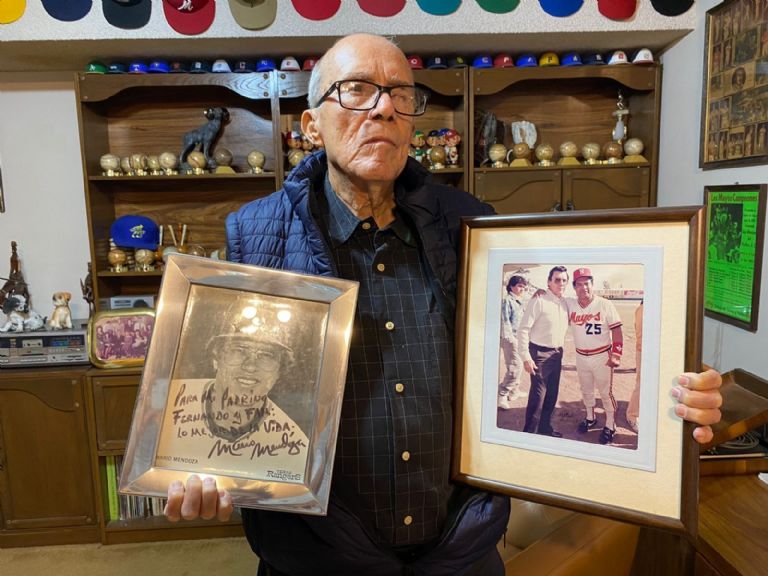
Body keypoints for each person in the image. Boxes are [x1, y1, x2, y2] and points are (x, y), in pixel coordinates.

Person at [163, 34, 724, 575]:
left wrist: (670, 392)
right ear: (311, 125)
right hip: (317, 556)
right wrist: (203, 466)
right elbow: (232, 377)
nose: (383, 108)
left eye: (400, 94)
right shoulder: (257, 233)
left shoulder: (471, 225)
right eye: (356, 90)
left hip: (459, 552)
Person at [154, 298, 309, 482]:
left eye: (266, 356)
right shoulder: (166, 403)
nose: (250, 366)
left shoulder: (294, 446)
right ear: (216, 358)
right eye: (238, 351)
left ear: (279, 372)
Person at [566, 268, 624, 444]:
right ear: (574, 287)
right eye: (579, 284)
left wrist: (616, 354)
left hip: (601, 356)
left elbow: (617, 330)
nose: (584, 287)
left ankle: (610, 424)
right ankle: (590, 418)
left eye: (587, 283)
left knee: (606, 392)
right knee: (586, 389)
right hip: (581, 356)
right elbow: (554, 298)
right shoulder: (570, 304)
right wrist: (541, 292)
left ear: (592, 284)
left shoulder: (605, 304)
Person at [517, 266, 569, 437]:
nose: (561, 283)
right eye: (557, 280)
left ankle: (544, 428)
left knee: (552, 394)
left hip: (557, 354)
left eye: (564, 280)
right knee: (538, 397)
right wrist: (525, 356)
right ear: (549, 282)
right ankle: (528, 435)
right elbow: (523, 329)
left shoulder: (565, 303)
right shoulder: (539, 300)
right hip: (539, 354)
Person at [498, 274, 527, 410]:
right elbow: (504, 320)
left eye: (524, 286)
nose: (522, 289)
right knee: (515, 368)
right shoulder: (507, 300)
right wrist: (510, 338)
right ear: (511, 286)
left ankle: (514, 391)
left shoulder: (519, 300)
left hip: (520, 338)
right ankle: (502, 395)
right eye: (520, 286)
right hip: (511, 339)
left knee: (519, 365)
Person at [626, 300, 643, 434]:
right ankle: (632, 415)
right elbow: (642, 336)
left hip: (650, 351)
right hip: (645, 351)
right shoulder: (643, 309)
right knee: (641, 384)